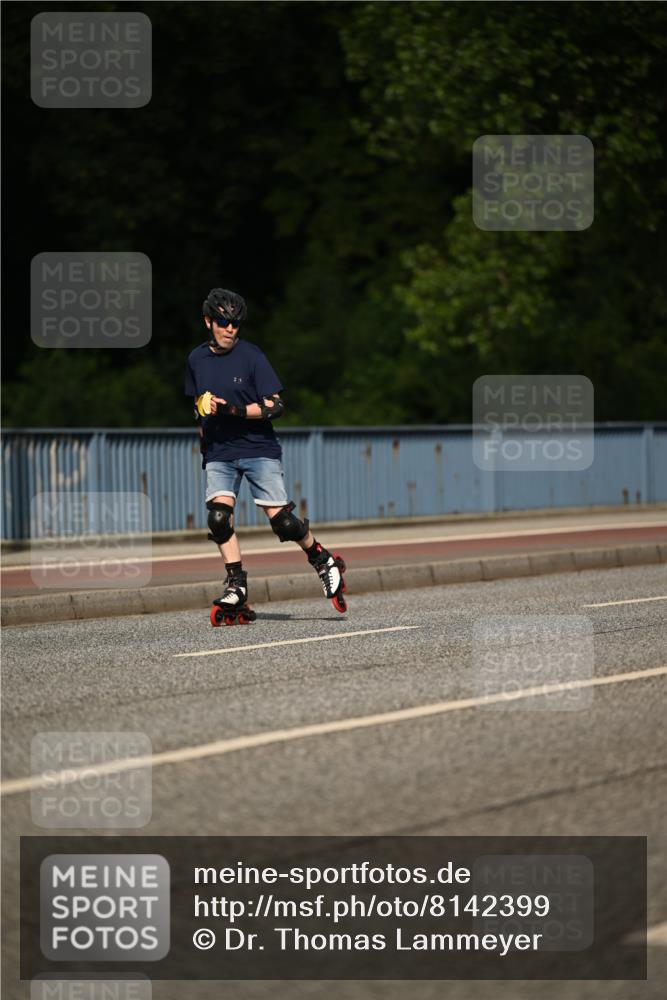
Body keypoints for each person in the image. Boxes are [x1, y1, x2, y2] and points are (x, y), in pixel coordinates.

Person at [184, 288, 346, 624]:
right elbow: (198, 407)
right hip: (220, 452)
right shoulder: (196, 359)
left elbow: (276, 405)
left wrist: (233, 410)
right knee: (218, 518)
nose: (231, 329)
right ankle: (236, 584)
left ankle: (322, 559)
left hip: (258, 448)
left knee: (283, 523)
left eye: (236, 324)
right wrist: (204, 435)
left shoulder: (252, 356)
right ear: (208, 322)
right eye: (224, 323)